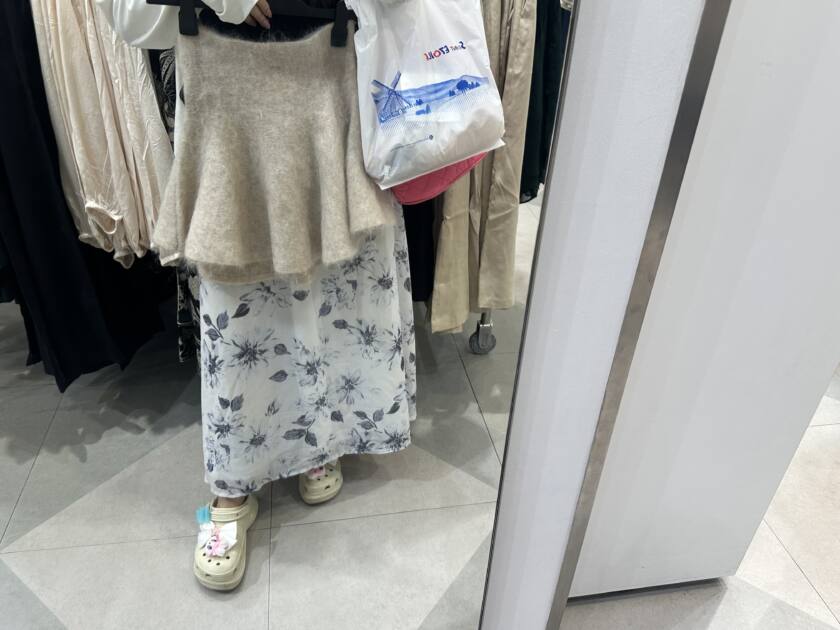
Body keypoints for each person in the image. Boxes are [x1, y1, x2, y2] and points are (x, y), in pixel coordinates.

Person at [97, 0, 417, 591]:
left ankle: (318, 439)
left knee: (333, 288)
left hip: (333, 70)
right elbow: (128, 17)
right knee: (238, 312)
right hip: (225, 84)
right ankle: (231, 488)